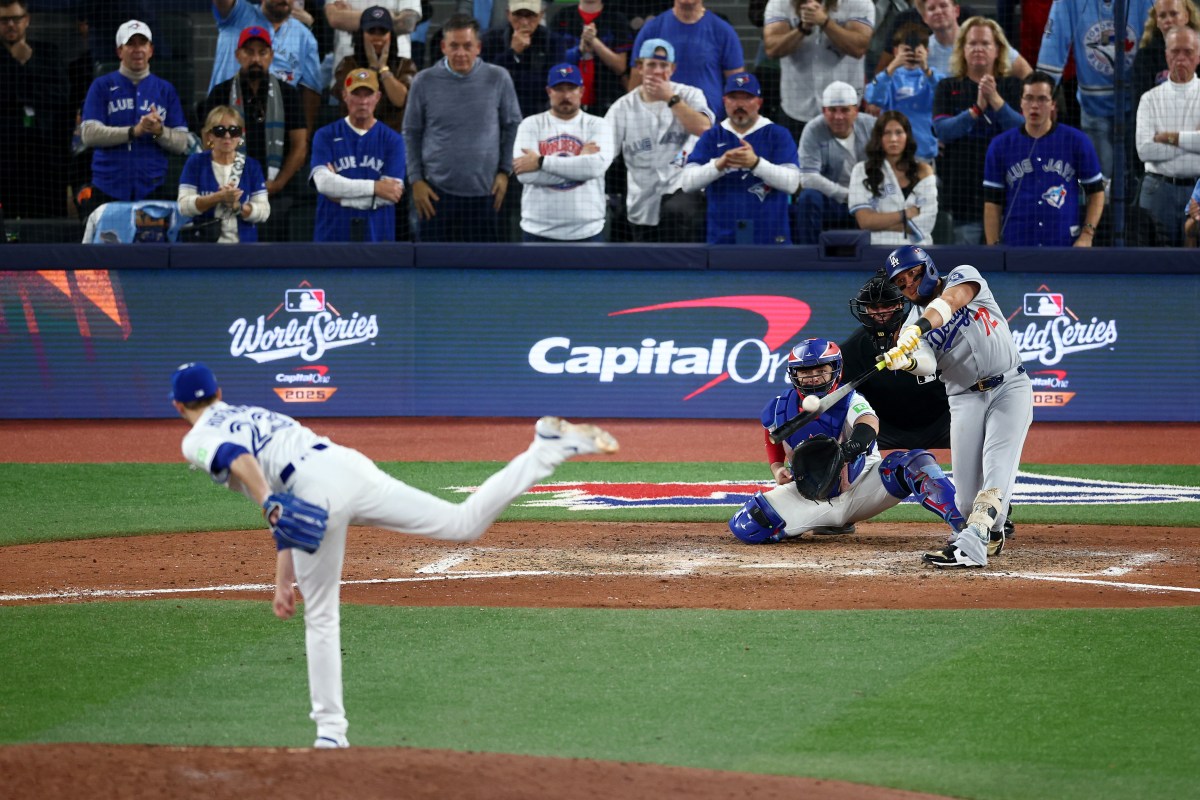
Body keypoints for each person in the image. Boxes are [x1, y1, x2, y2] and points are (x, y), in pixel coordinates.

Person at [169, 360, 618, 749]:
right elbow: (283, 505)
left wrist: (267, 498)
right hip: (348, 467)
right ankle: (544, 450)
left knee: (322, 616)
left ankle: (331, 733)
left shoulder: (197, 438)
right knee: (462, 524)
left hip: (313, 490)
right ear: (220, 393)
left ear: (178, 407)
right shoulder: (255, 411)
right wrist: (283, 575)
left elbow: (238, 458)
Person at [726, 337, 968, 545]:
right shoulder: (779, 408)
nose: (813, 378)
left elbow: (868, 423)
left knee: (915, 462)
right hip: (811, 494)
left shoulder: (851, 399)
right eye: (805, 372)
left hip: (863, 487)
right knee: (749, 525)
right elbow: (772, 437)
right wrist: (777, 468)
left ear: (836, 371)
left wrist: (850, 449)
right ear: (794, 374)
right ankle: (825, 522)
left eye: (821, 370)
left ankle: (965, 526)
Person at [878, 245, 1032, 568]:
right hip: (964, 399)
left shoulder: (962, 276)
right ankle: (993, 530)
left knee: (996, 465)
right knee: (964, 502)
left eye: (912, 275)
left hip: (1009, 386)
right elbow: (925, 362)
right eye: (901, 282)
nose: (908, 285)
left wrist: (918, 329)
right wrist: (905, 358)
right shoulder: (909, 327)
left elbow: (949, 302)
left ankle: (974, 545)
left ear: (927, 268)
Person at [404, 12, 522, 242]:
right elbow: (411, 132)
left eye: (467, 46)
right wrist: (416, 180)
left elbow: (512, 125)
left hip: (487, 194)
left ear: (478, 47)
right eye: (454, 46)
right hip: (435, 195)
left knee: (484, 272)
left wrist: (504, 172)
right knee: (433, 272)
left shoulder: (499, 78)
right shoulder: (423, 81)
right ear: (443, 47)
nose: (460, 53)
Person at [198, 25, 308, 243]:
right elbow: (207, 141)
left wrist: (278, 184)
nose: (256, 58)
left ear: (271, 56)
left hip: (278, 194)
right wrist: (224, 183)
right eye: (249, 52)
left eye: (262, 52)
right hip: (229, 193)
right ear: (238, 55)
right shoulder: (220, 92)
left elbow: (300, 146)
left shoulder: (288, 94)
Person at [78, 20, 190, 220]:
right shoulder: (101, 86)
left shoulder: (165, 90)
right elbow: (88, 134)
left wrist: (159, 131)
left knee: (150, 251)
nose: (137, 49)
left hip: (152, 187)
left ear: (151, 50)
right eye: (131, 44)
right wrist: (133, 132)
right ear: (120, 51)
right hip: (108, 186)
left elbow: (182, 143)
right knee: (103, 250)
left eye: (142, 43)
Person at [604, 37, 712, 241]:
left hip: (682, 187)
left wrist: (671, 99)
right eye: (651, 64)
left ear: (672, 68)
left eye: (663, 65)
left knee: (676, 214)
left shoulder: (690, 95)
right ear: (639, 67)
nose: (657, 71)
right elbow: (605, 152)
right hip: (642, 199)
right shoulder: (622, 107)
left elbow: (703, 129)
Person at [1036, 0, 1156, 182]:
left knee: (1136, 181)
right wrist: (1041, 98)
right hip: (1094, 108)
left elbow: (1162, 40)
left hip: (1137, 109)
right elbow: (1052, 46)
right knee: (1099, 184)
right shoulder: (1067, 3)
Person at [983, 71, 1105, 247]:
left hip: (1064, 244)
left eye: (1042, 99)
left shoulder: (1077, 141)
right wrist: (993, 247)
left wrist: (1087, 233)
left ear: (1053, 104)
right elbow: (992, 203)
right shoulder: (1000, 145)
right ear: (1020, 103)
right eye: (1029, 98)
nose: (1034, 106)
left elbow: (1096, 192)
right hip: (1016, 244)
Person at [932, 16, 1024, 245]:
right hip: (962, 194)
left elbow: (1024, 131)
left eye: (985, 43)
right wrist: (976, 109)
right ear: (962, 49)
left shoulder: (1013, 86)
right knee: (965, 270)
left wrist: (995, 101)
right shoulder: (947, 86)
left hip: (1008, 194)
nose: (978, 49)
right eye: (972, 43)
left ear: (997, 50)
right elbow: (942, 130)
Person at [681, 72, 799, 243]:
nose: (740, 104)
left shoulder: (777, 134)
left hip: (770, 239)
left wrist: (756, 164)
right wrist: (719, 165)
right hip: (722, 238)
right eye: (734, 98)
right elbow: (687, 183)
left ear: (759, 103)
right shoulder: (712, 136)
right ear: (724, 101)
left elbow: (793, 183)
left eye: (747, 98)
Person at [841, 270, 950, 449]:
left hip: (942, 423)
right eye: (874, 308)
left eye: (887, 305)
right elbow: (845, 400)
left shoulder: (929, 332)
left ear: (901, 305)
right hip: (885, 430)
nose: (880, 313)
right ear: (865, 309)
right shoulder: (852, 349)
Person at [512, 62, 616, 241]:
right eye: (559, 89)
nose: (566, 95)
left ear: (582, 91)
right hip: (537, 230)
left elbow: (595, 169)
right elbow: (525, 176)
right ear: (549, 91)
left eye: (571, 88)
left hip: (587, 231)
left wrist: (541, 162)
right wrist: (580, 164)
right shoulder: (530, 124)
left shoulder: (599, 125)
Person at [310, 68, 406, 242]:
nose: (363, 101)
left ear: (377, 97)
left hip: (377, 238)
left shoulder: (394, 140)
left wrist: (341, 196)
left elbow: (391, 195)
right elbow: (323, 183)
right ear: (345, 96)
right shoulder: (325, 135)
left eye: (368, 95)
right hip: (331, 236)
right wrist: (375, 188)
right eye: (356, 94)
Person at [761, 0, 874, 140]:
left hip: (845, 109)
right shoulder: (779, 3)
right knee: (794, 161)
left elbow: (858, 48)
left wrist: (825, 22)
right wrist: (802, 29)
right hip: (796, 108)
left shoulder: (859, 2)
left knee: (849, 161)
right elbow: (772, 49)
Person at [0, 0, 71, 219]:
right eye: (4, 20)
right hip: (6, 154)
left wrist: (26, 67)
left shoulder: (48, 52)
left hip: (46, 152)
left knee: (50, 220)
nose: (11, 25)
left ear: (27, 20)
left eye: (16, 19)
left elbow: (61, 95)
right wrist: (18, 63)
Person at [209, 1, 322, 136]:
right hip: (225, 115)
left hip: (276, 126)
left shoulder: (304, 37)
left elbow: (311, 90)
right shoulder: (238, 13)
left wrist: (304, 138)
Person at [1135, 25, 1200, 246]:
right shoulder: (1149, 99)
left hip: (1197, 192)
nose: (1181, 58)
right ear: (1166, 55)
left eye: (1188, 51)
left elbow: (1154, 146)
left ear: (1198, 56)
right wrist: (1193, 140)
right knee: (1152, 264)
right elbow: (1144, 150)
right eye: (1175, 51)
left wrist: (1167, 137)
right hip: (1158, 191)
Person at [792, 81, 877, 244]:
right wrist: (847, 195)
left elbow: (887, 168)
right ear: (824, 111)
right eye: (832, 110)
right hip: (831, 200)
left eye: (845, 110)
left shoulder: (871, 126)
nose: (838, 117)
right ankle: (809, 257)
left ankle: (883, 255)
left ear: (856, 111)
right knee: (808, 196)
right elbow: (808, 177)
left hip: (868, 198)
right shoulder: (813, 130)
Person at [630, 0, 744, 118]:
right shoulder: (651, 30)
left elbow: (737, 86)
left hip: (709, 126)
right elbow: (635, 86)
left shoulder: (723, 31)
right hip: (660, 125)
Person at [178, 106, 270, 243]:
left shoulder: (251, 166)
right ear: (210, 135)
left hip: (244, 248)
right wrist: (217, 197)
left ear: (240, 136)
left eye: (234, 131)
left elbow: (264, 212)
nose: (227, 136)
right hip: (203, 246)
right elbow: (183, 207)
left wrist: (238, 207)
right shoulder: (196, 162)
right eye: (220, 131)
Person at [848, 110, 938, 244]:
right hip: (878, 248)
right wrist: (905, 214)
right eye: (887, 133)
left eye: (899, 132)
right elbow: (865, 221)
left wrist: (880, 222)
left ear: (907, 136)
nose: (893, 139)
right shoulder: (862, 170)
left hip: (918, 251)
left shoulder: (924, 171)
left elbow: (927, 222)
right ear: (879, 138)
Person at [864, 22, 944, 163]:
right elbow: (873, 98)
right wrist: (892, 66)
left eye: (917, 51)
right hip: (892, 153)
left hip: (924, 152)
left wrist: (927, 71)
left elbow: (945, 98)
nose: (912, 55)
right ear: (895, 51)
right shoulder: (888, 77)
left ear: (927, 51)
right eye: (906, 51)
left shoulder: (934, 77)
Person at [547, 0, 633, 116]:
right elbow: (553, 62)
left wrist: (594, 42)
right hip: (566, 103)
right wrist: (578, 50)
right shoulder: (562, 16)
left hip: (607, 102)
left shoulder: (616, 19)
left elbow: (620, 67)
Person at [481, 0, 558, 118]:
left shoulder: (553, 41)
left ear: (541, 15)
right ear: (508, 14)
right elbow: (488, 81)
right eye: (518, 15)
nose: (524, 22)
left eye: (530, 15)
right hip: (497, 113)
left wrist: (512, 77)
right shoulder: (490, 39)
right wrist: (512, 53)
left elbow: (549, 87)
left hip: (539, 113)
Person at [326, 0, 421, 93]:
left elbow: (407, 23)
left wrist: (350, 16)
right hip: (349, 66)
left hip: (396, 70)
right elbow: (335, 18)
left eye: (382, 29)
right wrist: (389, 17)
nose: (376, 34)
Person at [919, 0, 1029, 79]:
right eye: (931, 8)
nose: (938, 11)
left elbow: (1027, 74)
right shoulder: (923, 51)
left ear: (956, 11)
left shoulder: (983, 38)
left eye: (943, 5)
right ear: (924, 17)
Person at [1132, 0, 1200, 118]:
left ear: (1186, 16)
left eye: (1174, 14)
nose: (1168, 20)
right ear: (1157, 22)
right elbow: (1140, 105)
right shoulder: (1145, 57)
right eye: (1162, 16)